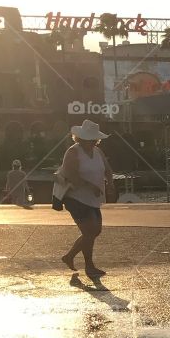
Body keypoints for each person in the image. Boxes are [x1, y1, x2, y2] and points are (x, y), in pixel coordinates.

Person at [59, 119, 114, 280]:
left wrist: (110, 183)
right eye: (88, 139)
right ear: (81, 138)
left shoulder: (98, 151)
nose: (92, 142)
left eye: (93, 139)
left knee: (95, 230)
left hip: (93, 198)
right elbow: (71, 175)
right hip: (75, 198)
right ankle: (89, 266)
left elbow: (108, 169)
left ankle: (69, 256)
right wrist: (92, 186)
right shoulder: (73, 152)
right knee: (90, 231)